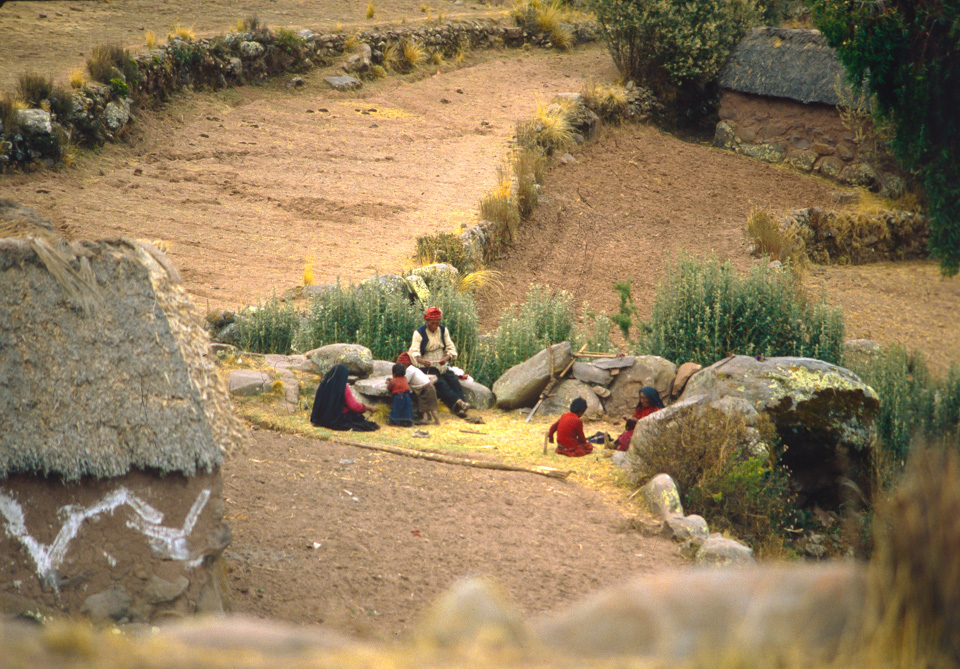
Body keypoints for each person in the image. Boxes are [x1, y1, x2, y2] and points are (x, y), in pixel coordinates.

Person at [408, 306, 472, 418]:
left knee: (453, 380)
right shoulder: (419, 333)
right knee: (440, 382)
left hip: (441, 364)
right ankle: (457, 403)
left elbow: (450, 348)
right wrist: (423, 361)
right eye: (432, 323)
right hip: (427, 366)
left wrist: (446, 358)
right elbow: (414, 353)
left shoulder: (443, 330)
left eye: (437, 323)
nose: (435, 326)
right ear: (427, 321)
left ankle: (460, 407)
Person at [310, 364, 379, 431]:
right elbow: (354, 406)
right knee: (358, 418)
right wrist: (368, 408)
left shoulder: (324, 385)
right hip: (336, 418)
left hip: (321, 417)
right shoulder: (343, 388)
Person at [614, 386, 663, 451]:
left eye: (644, 398)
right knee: (625, 436)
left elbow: (653, 426)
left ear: (650, 399)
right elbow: (633, 422)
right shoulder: (640, 409)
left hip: (647, 436)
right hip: (636, 432)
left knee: (628, 439)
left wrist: (638, 421)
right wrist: (629, 420)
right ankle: (615, 445)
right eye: (641, 398)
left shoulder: (657, 411)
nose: (642, 401)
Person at [397, 352, 440, 425]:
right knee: (424, 406)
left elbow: (405, 381)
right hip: (426, 388)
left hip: (427, 389)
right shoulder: (413, 368)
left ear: (406, 364)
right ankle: (425, 419)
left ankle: (437, 422)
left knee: (432, 407)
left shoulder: (409, 370)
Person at [387, 363, 414, 427]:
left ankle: (396, 422)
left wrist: (389, 382)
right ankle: (407, 422)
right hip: (407, 397)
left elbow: (389, 387)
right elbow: (399, 381)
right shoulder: (405, 378)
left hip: (398, 398)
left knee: (397, 410)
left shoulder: (393, 381)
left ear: (394, 373)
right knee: (407, 410)